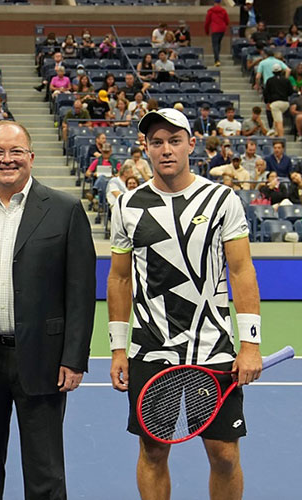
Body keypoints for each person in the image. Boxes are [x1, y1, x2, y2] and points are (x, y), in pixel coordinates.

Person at [108, 108, 262, 500]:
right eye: (156, 142)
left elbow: (241, 271)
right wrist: (117, 348)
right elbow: (120, 279)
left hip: (213, 347)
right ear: (145, 148)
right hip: (149, 344)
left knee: (224, 454)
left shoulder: (222, 200)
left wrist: (250, 344)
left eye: (174, 141)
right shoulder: (125, 206)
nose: (166, 150)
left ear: (191, 144)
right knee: (154, 449)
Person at [0, 120, 95, 500]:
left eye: (14, 152)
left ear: (30, 156)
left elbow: (80, 292)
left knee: (45, 475)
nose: (6, 160)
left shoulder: (65, 210)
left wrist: (74, 358)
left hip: (43, 359)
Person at [264, 64, 294, 137]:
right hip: (285, 103)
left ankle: (281, 138)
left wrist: (267, 102)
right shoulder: (286, 80)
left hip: (275, 104)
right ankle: (275, 133)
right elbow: (291, 91)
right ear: (281, 71)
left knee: (279, 122)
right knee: (276, 119)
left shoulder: (270, 81)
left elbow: (266, 93)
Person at [205, 0, 230, 67]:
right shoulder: (223, 11)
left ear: (214, 3)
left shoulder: (211, 11)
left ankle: (217, 60)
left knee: (215, 45)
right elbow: (227, 21)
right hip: (222, 29)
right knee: (218, 44)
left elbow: (207, 22)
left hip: (215, 29)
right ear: (220, 3)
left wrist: (207, 31)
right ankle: (217, 57)